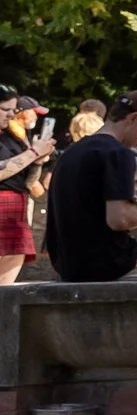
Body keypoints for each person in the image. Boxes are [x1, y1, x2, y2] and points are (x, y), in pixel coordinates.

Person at [44, 91, 137, 284]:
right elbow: (119, 219)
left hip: (67, 265)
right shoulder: (118, 154)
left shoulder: (70, 153)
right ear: (133, 118)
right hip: (108, 264)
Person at [1, 93, 57, 284]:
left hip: (16, 208)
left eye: (13, 109)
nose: (11, 114)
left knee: (6, 287)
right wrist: (33, 152)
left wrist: (38, 161)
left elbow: (27, 182)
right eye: (5, 109)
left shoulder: (12, 136)